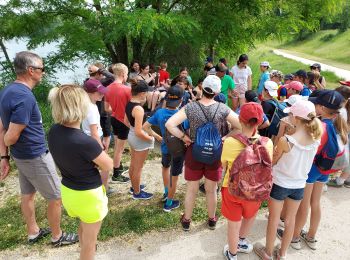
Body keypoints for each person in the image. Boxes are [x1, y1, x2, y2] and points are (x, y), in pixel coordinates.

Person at [0, 51, 78, 246]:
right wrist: (8, 144)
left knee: (28, 195)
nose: (43, 73)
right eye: (41, 69)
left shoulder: (7, 91)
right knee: (56, 196)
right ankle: (57, 236)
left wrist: (4, 157)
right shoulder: (25, 97)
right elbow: (9, 135)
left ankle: (33, 231)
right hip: (34, 156)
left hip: (21, 156)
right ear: (31, 70)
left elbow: (1, 126)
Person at [166, 75, 241, 231]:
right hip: (215, 152)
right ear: (217, 91)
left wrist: (185, 137)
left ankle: (186, 220)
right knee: (211, 189)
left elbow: (170, 124)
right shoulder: (223, 108)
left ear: (202, 88)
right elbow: (240, 125)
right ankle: (212, 219)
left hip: (194, 150)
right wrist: (225, 137)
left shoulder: (190, 107)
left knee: (191, 188)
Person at [48, 85, 113, 259]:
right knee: (90, 245)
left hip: (69, 191)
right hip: (89, 195)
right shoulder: (85, 142)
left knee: (84, 226)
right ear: (80, 106)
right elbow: (108, 165)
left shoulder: (53, 132)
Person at [254, 100, 322, 260]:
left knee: (274, 218)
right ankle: (282, 254)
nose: (288, 116)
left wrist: (283, 133)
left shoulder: (287, 140)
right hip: (299, 185)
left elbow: (273, 161)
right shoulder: (316, 139)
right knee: (290, 219)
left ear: (297, 118)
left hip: (280, 183)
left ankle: (267, 252)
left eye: (291, 114)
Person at [285, 90, 345, 251]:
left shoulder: (321, 126)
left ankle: (295, 237)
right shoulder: (337, 124)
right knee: (316, 202)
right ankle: (311, 236)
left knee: (304, 204)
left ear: (323, 108)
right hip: (325, 169)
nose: (314, 106)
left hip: (312, 170)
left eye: (317, 104)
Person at [221, 102, 273, 260]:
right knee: (250, 215)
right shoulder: (267, 143)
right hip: (257, 189)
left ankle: (232, 253)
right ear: (259, 121)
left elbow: (224, 164)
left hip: (232, 189)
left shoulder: (230, 142)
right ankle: (242, 241)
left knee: (233, 222)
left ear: (240, 120)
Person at [144, 86, 188, 211]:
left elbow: (145, 127)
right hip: (178, 149)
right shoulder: (181, 114)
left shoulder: (160, 113)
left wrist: (158, 137)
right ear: (181, 100)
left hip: (165, 147)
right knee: (174, 175)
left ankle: (166, 191)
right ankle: (169, 203)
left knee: (165, 167)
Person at [82, 79, 114, 195]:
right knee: (105, 166)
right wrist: (101, 146)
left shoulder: (89, 104)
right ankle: (104, 189)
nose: (102, 94)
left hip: (89, 138)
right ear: (89, 93)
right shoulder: (91, 108)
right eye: (99, 92)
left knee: (94, 166)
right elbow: (94, 131)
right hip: (93, 139)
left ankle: (99, 188)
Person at [125, 79, 155, 200]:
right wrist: (149, 138)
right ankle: (137, 193)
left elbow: (125, 121)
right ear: (142, 93)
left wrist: (133, 130)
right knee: (138, 168)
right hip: (138, 139)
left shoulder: (129, 103)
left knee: (133, 164)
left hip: (131, 136)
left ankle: (134, 186)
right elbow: (139, 131)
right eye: (147, 93)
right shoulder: (139, 109)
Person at [104, 63, 131, 183]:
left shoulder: (108, 88)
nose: (127, 76)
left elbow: (107, 108)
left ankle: (118, 165)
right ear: (122, 74)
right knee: (120, 149)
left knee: (117, 146)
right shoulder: (127, 89)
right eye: (126, 74)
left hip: (114, 119)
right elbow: (133, 107)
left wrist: (115, 110)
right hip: (123, 121)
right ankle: (116, 174)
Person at [87, 63, 115, 152]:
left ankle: (102, 154)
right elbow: (113, 78)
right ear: (99, 73)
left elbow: (112, 78)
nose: (103, 75)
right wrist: (101, 70)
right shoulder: (95, 82)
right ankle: (102, 154)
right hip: (101, 113)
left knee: (104, 134)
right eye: (102, 73)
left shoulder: (91, 82)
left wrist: (99, 71)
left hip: (101, 112)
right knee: (102, 134)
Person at [327, 85, 350, 187]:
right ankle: (343, 179)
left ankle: (339, 180)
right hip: (344, 136)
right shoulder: (344, 110)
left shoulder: (341, 111)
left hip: (341, 136)